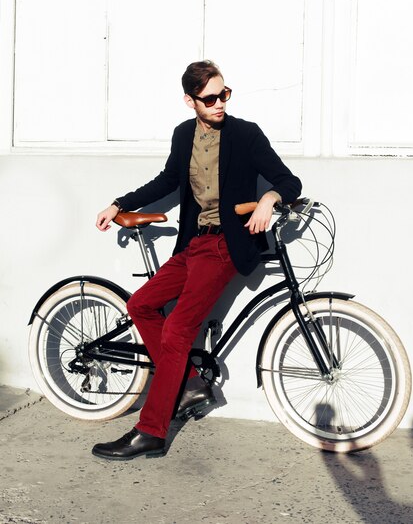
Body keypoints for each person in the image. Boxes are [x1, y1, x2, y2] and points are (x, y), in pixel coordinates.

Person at [92, 60, 302, 460]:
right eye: (210, 98)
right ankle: (190, 383)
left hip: (224, 247)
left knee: (175, 333)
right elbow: (168, 180)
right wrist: (119, 202)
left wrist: (269, 201)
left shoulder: (245, 134)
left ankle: (151, 431)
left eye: (225, 94)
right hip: (193, 245)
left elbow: (288, 181)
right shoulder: (184, 134)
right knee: (140, 304)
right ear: (190, 101)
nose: (220, 103)